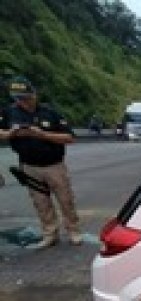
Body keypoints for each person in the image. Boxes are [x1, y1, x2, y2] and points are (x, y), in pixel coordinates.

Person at [0, 75, 82, 248]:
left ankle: (73, 230)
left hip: (54, 164)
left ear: (34, 94)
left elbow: (69, 137)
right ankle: (50, 233)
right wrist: (10, 134)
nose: (22, 102)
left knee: (65, 200)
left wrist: (42, 134)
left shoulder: (50, 112)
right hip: (29, 165)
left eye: (25, 98)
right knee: (41, 202)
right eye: (18, 99)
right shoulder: (9, 112)